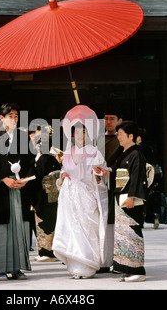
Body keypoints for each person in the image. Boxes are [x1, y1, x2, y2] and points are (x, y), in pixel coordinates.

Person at [52, 105, 110, 279]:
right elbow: (63, 170)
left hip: (87, 195)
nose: (80, 136)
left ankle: (88, 267)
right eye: (77, 133)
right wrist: (64, 176)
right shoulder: (67, 153)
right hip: (71, 197)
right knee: (73, 231)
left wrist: (99, 172)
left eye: (83, 132)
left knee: (87, 230)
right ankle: (75, 267)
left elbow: (104, 171)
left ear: (88, 134)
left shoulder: (94, 152)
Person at [0, 103, 36, 281]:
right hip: (1, 190)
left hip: (20, 187)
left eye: (16, 116)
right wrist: (3, 179)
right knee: (1, 228)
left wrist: (24, 179)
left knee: (19, 226)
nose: (13, 119)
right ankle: (0, 269)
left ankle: (17, 268)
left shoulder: (23, 137)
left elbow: (30, 162)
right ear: (1, 118)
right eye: (9, 116)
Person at [111, 120, 148, 282]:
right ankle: (126, 268)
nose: (118, 137)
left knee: (133, 233)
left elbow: (137, 177)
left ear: (131, 136)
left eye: (121, 134)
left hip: (129, 198)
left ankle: (138, 270)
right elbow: (119, 175)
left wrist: (133, 196)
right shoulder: (125, 152)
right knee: (122, 235)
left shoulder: (136, 154)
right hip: (121, 197)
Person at [30, 126, 61, 262]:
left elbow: (38, 180)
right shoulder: (54, 160)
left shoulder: (41, 161)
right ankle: (52, 251)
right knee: (52, 222)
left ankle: (45, 252)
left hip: (43, 196)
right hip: (54, 197)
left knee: (43, 224)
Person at [100, 109, 123, 273]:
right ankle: (102, 261)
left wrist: (109, 171)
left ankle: (117, 260)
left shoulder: (120, 140)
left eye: (112, 118)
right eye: (106, 118)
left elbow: (122, 162)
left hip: (114, 186)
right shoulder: (97, 140)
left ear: (118, 121)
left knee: (114, 225)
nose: (108, 122)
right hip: (98, 186)